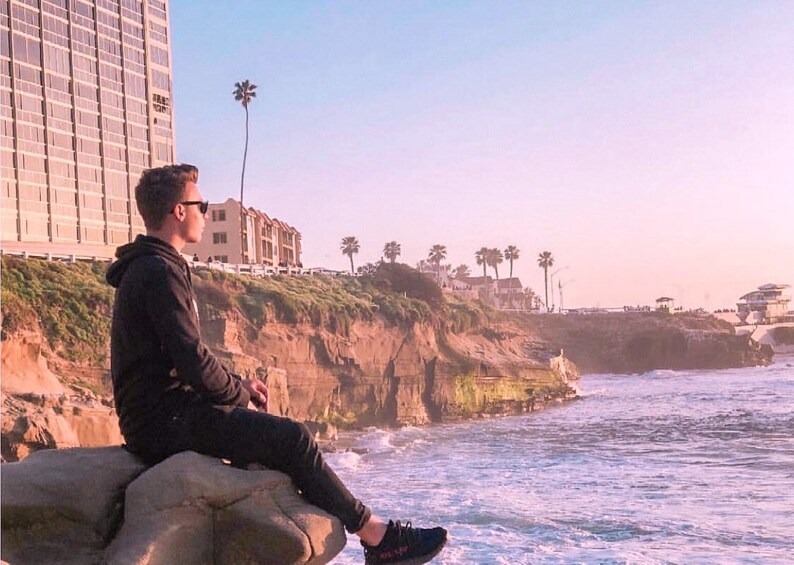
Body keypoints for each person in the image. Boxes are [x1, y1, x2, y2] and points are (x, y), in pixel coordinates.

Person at [106, 164, 447, 565]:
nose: (206, 213)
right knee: (292, 438)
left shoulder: (152, 266)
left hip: (160, 414)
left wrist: (239, 386)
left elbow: (186, 357)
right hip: (163, 422)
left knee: (269, 439)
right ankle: (377, 536)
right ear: (179, 211)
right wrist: (238, 393)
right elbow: (193, 360)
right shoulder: (159, 271)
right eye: (202, 205)